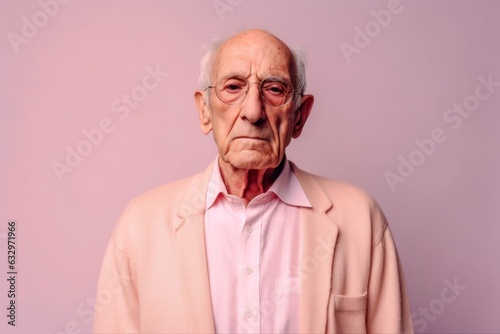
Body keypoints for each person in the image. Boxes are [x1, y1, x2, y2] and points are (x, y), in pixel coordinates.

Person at [93, 28, 413, 333]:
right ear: (205, 111)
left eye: (274, 90)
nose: (253, 111)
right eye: (233, 87)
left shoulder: (359, 218)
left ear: (299, 116)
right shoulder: (140, 226)